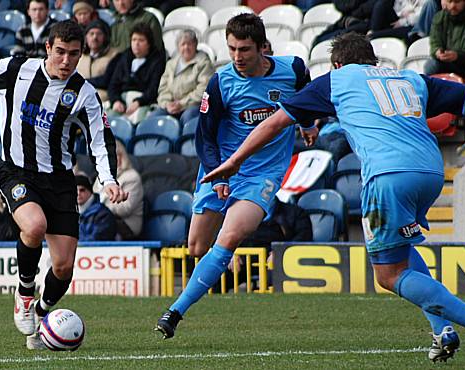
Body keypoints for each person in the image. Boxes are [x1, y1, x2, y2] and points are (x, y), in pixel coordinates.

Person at [201, 32, 465, 366]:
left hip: (388, 177)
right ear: (373, 60)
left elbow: (274, 124)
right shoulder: (409, 78)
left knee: (388, 275)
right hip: (431, 174)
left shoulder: (335, 80)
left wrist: (233, 162)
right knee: (403, 253)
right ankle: (442, 330)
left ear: (336, 64)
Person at [0, 20, 128, 350]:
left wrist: (109, 180)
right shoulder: (17, 70)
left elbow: (100, 141)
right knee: (34, 226)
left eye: (74, 54)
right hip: (17, 172)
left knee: (63, 266)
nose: (66, 61)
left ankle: (41, 319)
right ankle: (25, 292)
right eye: (60, 52)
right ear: (48, 48)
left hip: (59, 182)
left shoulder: (84, 94)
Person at [154, 13, 314, 340]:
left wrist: (308, 124)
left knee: (229, 237)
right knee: (198, 247)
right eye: (231, 49)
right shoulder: (221, 81)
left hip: (263, 173)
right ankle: (225, 254)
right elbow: (205, 137)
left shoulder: (293, 69)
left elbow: (306, 98)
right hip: (221, 168)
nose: (237, 57)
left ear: (262, 48)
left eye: (244, 49)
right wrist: (220, 177)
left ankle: (174, 312)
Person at [151, 30, 214, 126]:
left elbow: (204, 90)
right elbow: (163, 88)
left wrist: (182, 103)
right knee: (154, 117)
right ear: (178, 47)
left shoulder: (204, 63)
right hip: (171, 105)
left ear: (195, 45)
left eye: (189, 44)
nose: (186, 47)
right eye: (183, 44)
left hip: (193, 105)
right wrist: (167, 104)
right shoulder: (171, 64)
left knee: (188, 117)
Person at [106, 23, 166, 123]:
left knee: (139, 120)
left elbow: (154, 88)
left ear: (149, 44)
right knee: (108, 120)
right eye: (134, 40)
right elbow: (113, 84)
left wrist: (138, 102)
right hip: (122, 99)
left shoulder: (157, 60)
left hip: (143, 101)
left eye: (141, 40)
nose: (136, 44)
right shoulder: (125, 57)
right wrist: (116, 101)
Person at [93, 140, 144, 239]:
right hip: (100, 219)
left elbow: (126, 209)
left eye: (112, 156)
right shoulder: (100, 178)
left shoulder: (131, 177)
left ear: (121, 157)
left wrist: (101, 204)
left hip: (125, 224)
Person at [77, 19, 118, 102]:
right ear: (86, 37)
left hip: (103, 101)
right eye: (91, 34)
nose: (95, 37)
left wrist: (83, 81)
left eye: (99, 34)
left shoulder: (115, 55)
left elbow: (108, 81)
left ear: (105, 37)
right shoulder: (79, 56)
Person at [77, 174, 117, 240]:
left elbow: (96, 240)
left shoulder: (103, 215)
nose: (78, 193)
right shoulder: (70, 213)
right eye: (75, 191)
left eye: (82, 190)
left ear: (90, 191)